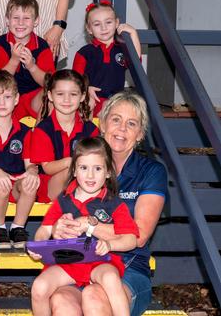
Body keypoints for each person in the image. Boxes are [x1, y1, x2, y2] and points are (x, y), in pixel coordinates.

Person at [48, 90, 168, 316]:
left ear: (140, 134)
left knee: (94, 296)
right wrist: (58, 225)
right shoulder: (86, 164)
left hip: (128, 268)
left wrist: (89, 226)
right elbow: (53, 191)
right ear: (102, 124)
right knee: (62, 301)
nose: (122, 129)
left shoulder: (151, 171)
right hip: (79, 261)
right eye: (116, 120)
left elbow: (139, 235)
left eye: (131, 123)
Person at [28, 137, 139, 316]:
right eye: (83, 168)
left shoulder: (114, 204)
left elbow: (131, 239)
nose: (90, 175)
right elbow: (45, 229)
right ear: (74, 171)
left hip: (100, 261)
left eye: (97, 168)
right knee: (39, 287)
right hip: (68, 261)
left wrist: (110, 245)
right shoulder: (63, 200)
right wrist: (39, 246)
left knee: (111, 278)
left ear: (108, 172)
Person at [0, 71, 39, 249]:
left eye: (7, 97)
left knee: (31, 181)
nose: (2, 103)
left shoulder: (25, 131)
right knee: (0, 183)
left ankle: (18, 227)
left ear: (17, 99)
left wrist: (33, 171)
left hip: (16, 182)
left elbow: (30, 164)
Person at [28, 69, 98, 202]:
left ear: (82, 96)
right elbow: (47, 168)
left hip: (83, 179)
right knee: (71, 172)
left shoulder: (91, 129)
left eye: (73, 94)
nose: (67, 99)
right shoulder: (43, 129)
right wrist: (69, 162)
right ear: (50, 96)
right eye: (60, 94)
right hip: (50, 185)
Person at [0, 0, 55, 121]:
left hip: (33, 98)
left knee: (50, 94)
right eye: (15, 18)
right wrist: (14, 60)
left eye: (26, 18)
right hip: (7, 96)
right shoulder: (1, 43)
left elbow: (48, 83)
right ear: (7, 21)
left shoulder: (42, 46)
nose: (20, 23)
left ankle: (40, 134)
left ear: (36, 21)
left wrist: (32, 66)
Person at [73, 0, 142, 117]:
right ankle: (85, 131)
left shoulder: (121, 50)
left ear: (116, 23)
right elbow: (74, 80)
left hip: (116, 100)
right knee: (98, 107)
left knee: (131, 109)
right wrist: (86, 89)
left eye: (108, 22)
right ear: (89, 29)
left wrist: (133, 34)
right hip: (92, 100)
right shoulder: (84, 53)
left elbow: (136, 64)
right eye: (97, 24)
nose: (103, 28)